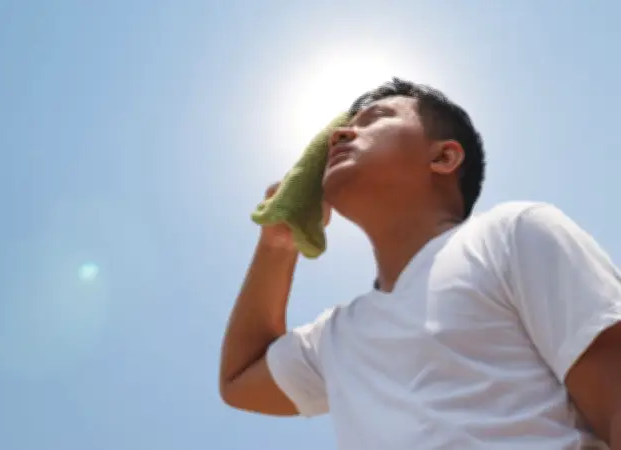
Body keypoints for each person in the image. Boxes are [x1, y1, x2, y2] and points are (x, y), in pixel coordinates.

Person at [218, 78, 621, 449]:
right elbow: (239, 380)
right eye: (342, 129)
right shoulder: (337, 336)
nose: (339, 135)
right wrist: (277, 244)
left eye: (375, 118)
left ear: (444, 156)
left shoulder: (511, 234)